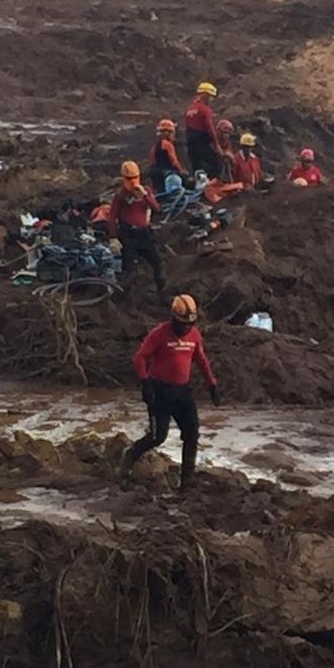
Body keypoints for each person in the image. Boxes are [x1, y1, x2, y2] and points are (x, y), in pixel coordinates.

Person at [119, 294, 219, 492]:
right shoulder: (160, 334)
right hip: (160, 391)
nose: (185, 329)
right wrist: (145, 382)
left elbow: (201, 359)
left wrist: (212, 384)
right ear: (174, 318)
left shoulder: (194, 335)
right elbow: (140, 358)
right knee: (158, 436)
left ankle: (186, 482)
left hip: (182, 392)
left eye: (189, 324)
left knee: (192, 435)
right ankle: (129, 456)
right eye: (182, 324)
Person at [108, 161, 165, 294]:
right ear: (123, 179)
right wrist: (113, 237)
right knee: (131, 271)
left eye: (135, 178)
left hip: (144, 234)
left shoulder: (146, 192)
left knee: (158, 264)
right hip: (129, 235)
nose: (133, 182)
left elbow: (156, 209)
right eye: (129, 179)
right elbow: (112, 217)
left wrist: (145, 195)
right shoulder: (120, 196)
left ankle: (161, 294)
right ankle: (126, 299)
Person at [184, 81, 223, 178]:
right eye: (210, 96)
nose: (211, 99)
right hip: (201, 142)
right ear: (205, 95)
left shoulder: (190, 108)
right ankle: (213, 185)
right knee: (216, 164)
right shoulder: (205, 110)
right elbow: (209, 127)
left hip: (190, 143)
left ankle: (199, 186)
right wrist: (217, 145)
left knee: (196, 167)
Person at [146, 119, 187, 193]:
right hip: (168, 175)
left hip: (157, 175)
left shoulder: (155, 147)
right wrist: (181, 171)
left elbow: (152, 161)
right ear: (168, 133)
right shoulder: (168, 145)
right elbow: (174, 161)